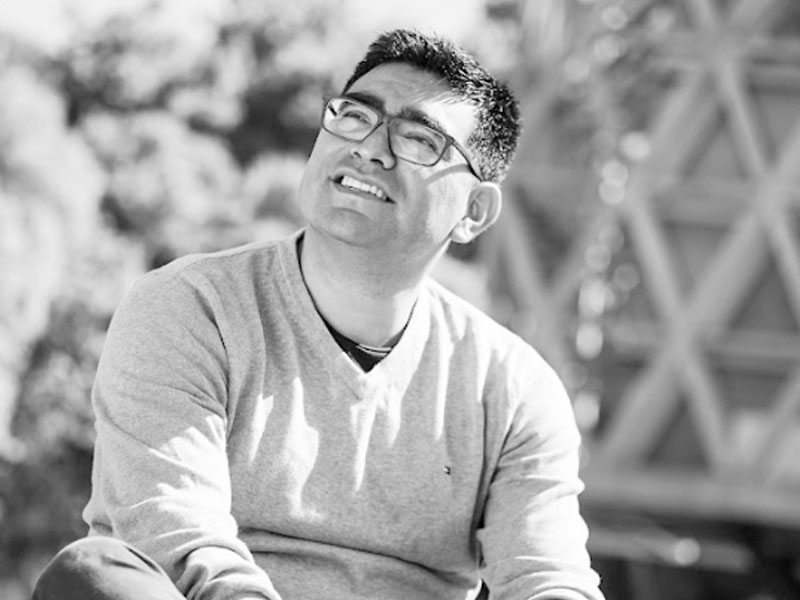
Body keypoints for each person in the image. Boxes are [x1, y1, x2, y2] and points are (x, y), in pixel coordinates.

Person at [33, 28, 604, 600]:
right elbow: (175, 533)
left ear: (474, 211)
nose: (370, 148)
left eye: (418, 138)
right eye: (355, 116)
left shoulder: (512, 389)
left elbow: (548, 578)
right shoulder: (190, 307)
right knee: (96, 575)